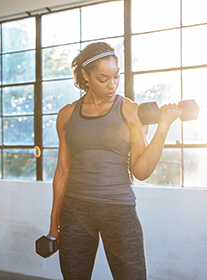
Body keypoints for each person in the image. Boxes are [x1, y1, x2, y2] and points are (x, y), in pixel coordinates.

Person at [48, 42, 181, 280]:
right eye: (103, 78)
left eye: (116, 77)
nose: (112, 85)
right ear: (86, 76)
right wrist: (53, 221)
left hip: (118, 210)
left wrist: (163, 127)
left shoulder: (130, 111)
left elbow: (141, 171)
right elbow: (62, 171)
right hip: (75, 209)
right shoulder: (66, 114)